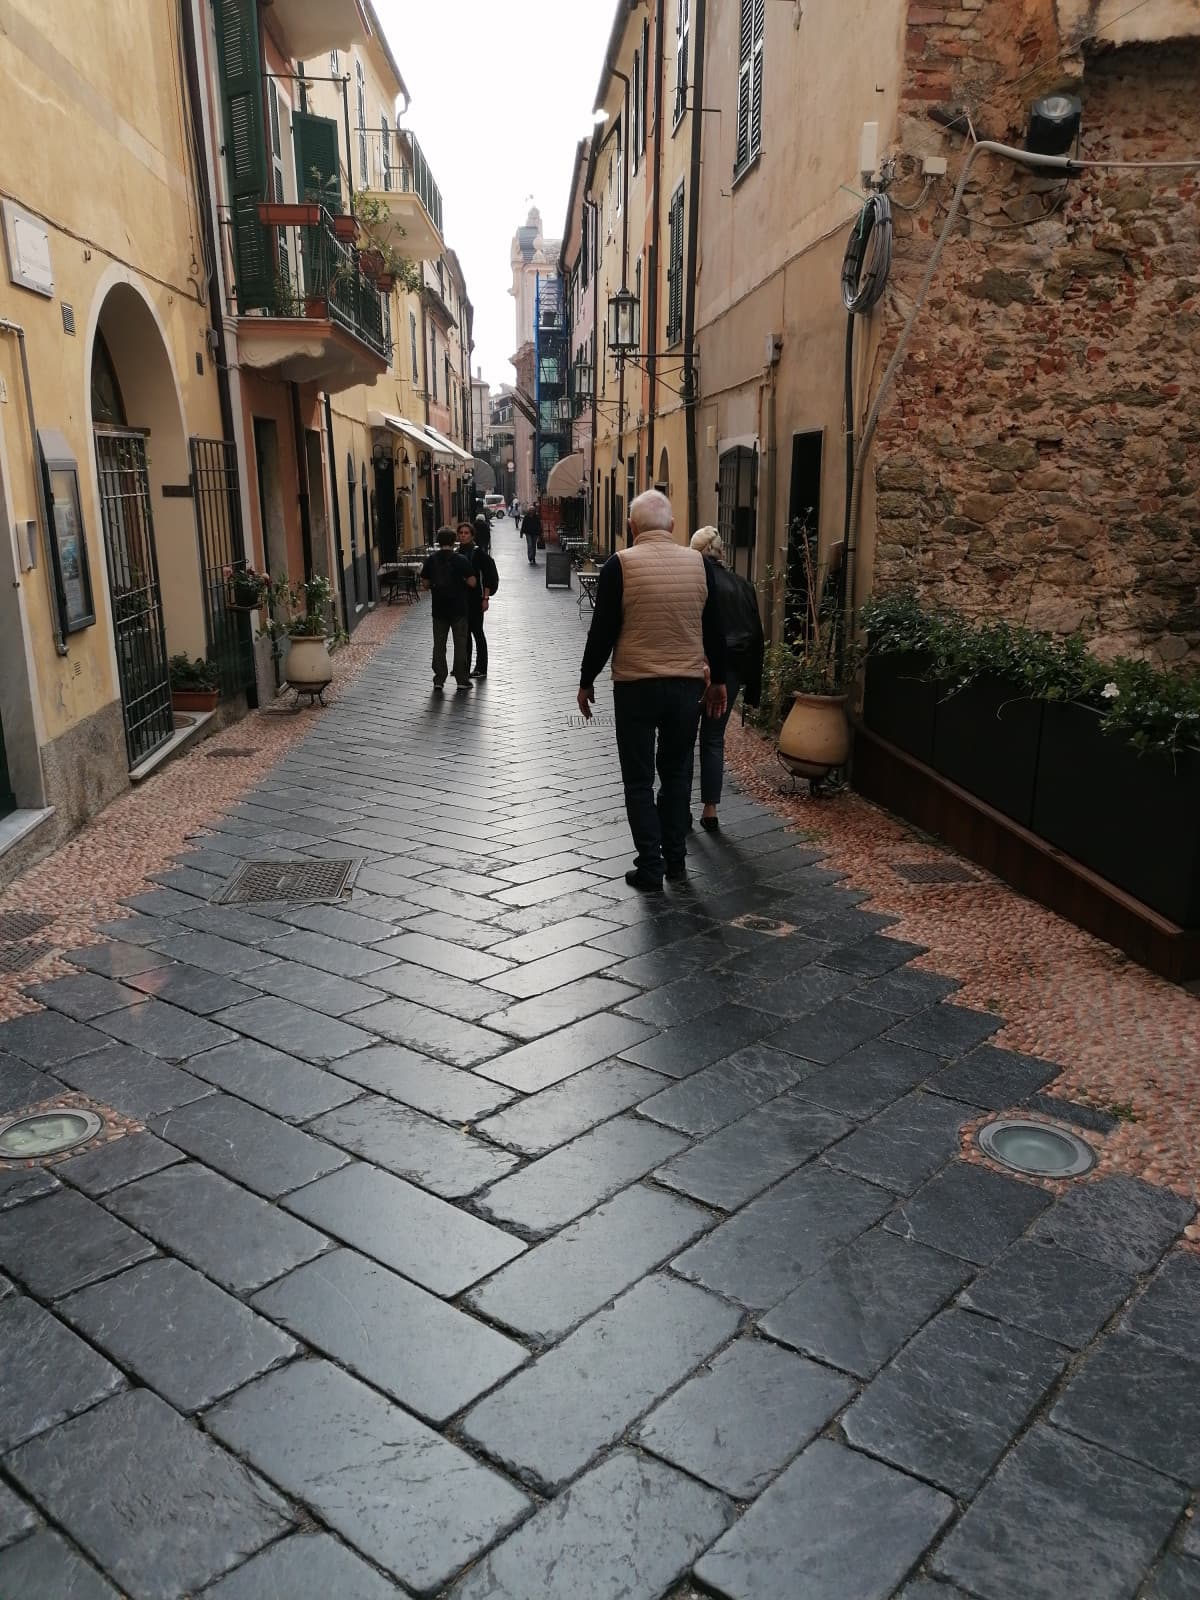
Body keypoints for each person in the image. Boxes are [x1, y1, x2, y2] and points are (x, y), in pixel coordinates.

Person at [578, 489, 728, 890]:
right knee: (678, 775)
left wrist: (586, 679)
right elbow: (714, 629)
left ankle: (650, 865)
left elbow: (603, 630)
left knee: (639, 779)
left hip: (636, 686)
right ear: (673, 527)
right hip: (686, 686)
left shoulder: (619, 565)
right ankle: (676, 860)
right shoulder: (700, 565)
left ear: (632, 527)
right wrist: (721, 682)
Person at [689, 527, 765, 831]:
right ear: (721, 552)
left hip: (697, 666)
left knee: (683, 738)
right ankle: (710, 809)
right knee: (713, 737)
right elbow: (757, 636)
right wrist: (754, 689)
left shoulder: (695, 584)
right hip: (731, 672)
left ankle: (680, 808)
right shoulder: (743, 586)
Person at [421, 526, 476, 692]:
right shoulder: (461, 560)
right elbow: (472, 582)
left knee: (439, 645)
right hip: (458, 608)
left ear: (438, 541)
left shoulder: (431, 560)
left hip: (438, 609)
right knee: (460, 644)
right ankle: (461, 679)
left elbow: (424, 584)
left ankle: (439, 679)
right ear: (454, 541)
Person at [457, 520, 498, 679]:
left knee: (477, 632)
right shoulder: (458, 552)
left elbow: (488, 578)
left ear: (472, 535)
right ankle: (464, 666)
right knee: (464, 634)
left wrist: (485, 598)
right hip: (461, 599)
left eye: (466, 533)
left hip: (476, 599)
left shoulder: (479, 553)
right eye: (461, 533)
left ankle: (481, 667)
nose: (463, 536)